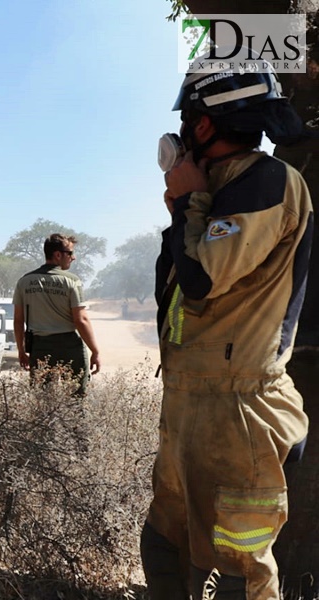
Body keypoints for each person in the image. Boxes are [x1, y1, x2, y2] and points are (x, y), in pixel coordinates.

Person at [141, 59, 313, 600]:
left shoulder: (269, 181)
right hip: (189, 404)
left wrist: (186, 202)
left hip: (243, 411)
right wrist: (186, 203)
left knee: (241, 570)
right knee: (165, 545)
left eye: (190, 118)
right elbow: (172, 290)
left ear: (207, 125)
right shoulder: (215, 187)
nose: (182, 130)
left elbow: (200, 279)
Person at [12, 233, 100, 395]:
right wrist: (95, 351)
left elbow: (18, 321)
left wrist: (21, 350)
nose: (73, 258)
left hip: (39, 347)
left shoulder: (24, 281)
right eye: (71, 253)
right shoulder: (72, 281)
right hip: (69, 346)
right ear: (58, 255)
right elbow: (81, 320)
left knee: (42, 402)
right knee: (75, 400)